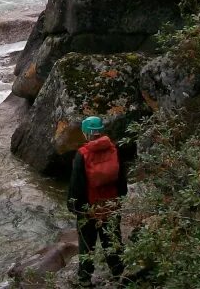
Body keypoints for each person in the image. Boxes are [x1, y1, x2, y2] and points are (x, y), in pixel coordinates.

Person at [68, 116, 127, 286]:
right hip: (111, 206)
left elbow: (76, 186)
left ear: (86, 133)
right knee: (113, 241)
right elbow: (122, 180)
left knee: (87, 245)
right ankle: (120, 275)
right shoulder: (115, 150)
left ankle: (85, 280)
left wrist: (74, 207)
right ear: (101, 131)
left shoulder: (82, 154)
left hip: (90, 209)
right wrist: (119, 200)